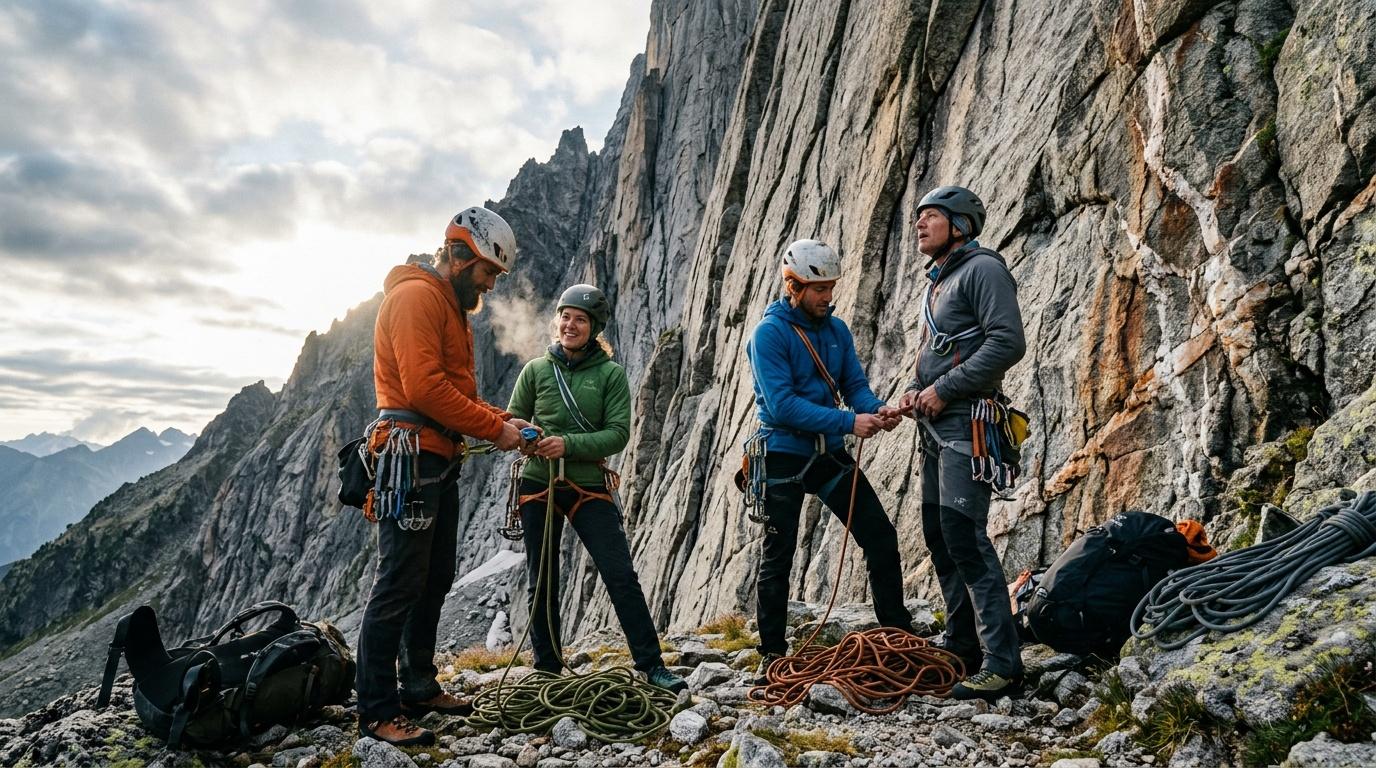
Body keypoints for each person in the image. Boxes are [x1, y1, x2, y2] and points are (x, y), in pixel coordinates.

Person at [357, 207, 535, 746]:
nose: (490, 284)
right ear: (458, 256)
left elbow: (458, 393)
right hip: (411, 459)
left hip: (436, 459)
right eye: (487, 271)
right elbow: (424, 390)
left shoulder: (450, 307)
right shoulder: (416, 298)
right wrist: (494, 431)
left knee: (433, 578)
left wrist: (504, 420)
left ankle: (417, 684)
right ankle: (376, 709)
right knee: (399, 583)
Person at [506, 284, 687, 694]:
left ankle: (651, 663)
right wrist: (525, 433)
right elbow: (513, 421)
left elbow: (618, 435)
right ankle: (547, 670)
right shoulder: (535, 371)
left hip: (588, 485)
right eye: (566, 316)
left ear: (594, 328)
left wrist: (567, 444)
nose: (570, 325)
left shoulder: (610, 374)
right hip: (539, 482)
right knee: (542, 579)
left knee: (619, 573)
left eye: (581, 319)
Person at [745, 239, 913, 681]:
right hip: (782, 454)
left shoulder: (836, 331)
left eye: (830, 287)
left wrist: (875, 409)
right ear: (793, 286)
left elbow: (854, 384)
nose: (827, 296)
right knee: (778, 554)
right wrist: (848, 422)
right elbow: (781, 406)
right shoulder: (769, 334)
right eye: (818, 288)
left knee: (879, 535)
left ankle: (897, 634)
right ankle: (772, 653)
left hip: (827, 455)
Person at [898, 185, 1027, 701]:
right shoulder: (941, 280)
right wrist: (915, 389)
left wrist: (943, 388)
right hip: (937, 426)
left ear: (960, 225)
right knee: (938, 533)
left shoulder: (982, 270)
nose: (920, 225)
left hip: (965, 424)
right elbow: (944, 351)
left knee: (964, 535)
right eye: (919, 218)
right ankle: (962, 644)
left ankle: (1003, 663)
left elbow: (1007, 342)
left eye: (931, 217)